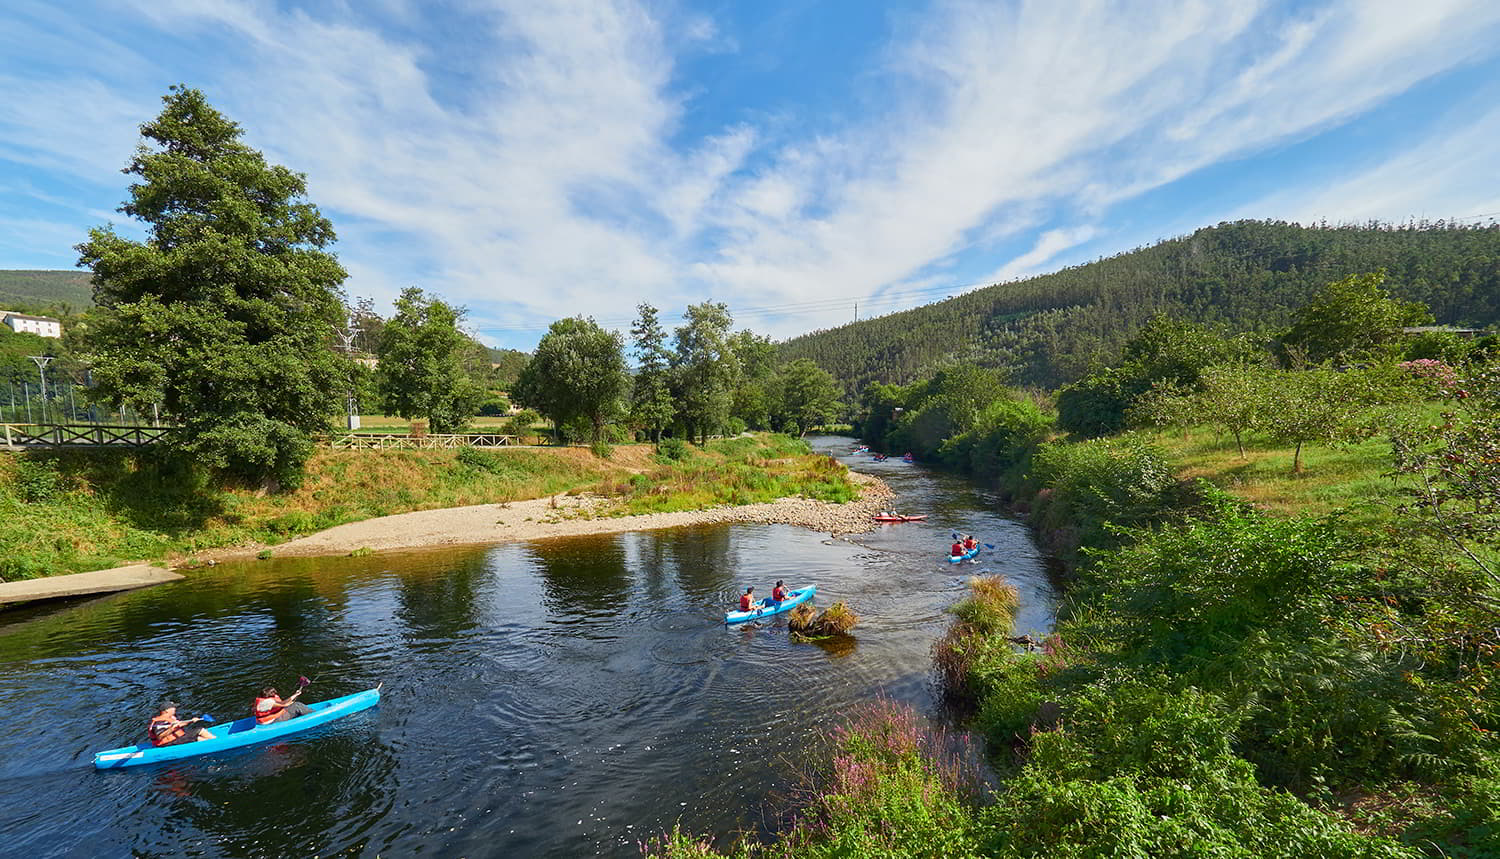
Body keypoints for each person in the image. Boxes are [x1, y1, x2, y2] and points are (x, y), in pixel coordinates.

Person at [148, 701, 216, 746]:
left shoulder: (170, 717)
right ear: (167, 710)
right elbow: (159, 736)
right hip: (168, 743)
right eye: (173, 707)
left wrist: (192, 720)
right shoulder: (159, 721)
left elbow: (179, 724)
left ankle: (213, 742)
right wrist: (172, 728)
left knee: (197, 734)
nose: (175, 708)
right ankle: (216, 742)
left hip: (176, 739)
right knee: (200, 730)